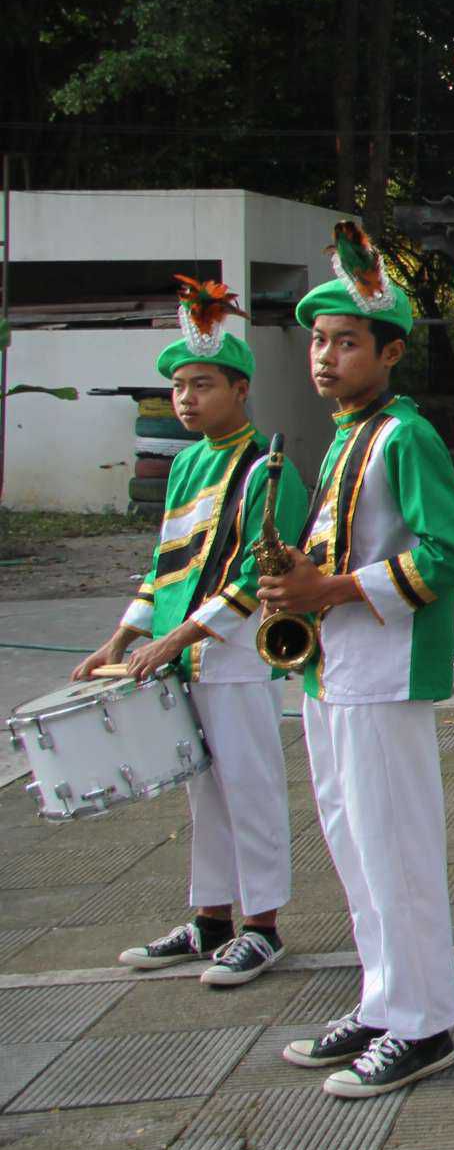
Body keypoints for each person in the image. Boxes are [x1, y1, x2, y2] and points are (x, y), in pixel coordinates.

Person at [260, 225, 454, 1095]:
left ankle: (425, 1024)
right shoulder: (348, 436)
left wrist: (331, 589)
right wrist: (296, 585)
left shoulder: (403, 437)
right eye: (319, 341)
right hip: (334, 670)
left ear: (389, 353)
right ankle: (385, 1001)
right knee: (355, 849)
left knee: (396, 852)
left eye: (346, 342)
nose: (326, 356)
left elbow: (449, 554)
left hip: (384, 673)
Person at [77, 277, 307, 988]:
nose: (185, 398)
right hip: (175, 657)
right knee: (202, 792)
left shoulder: (268, 468)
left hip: (235, 655)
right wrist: (123, 636)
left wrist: (176, 640)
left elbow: (257, 576)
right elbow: (166, 563)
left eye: (202, 385)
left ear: (240, 389)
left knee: (250, 787)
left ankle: (262, 927)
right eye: (178, 387)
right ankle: (210, 920)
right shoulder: (184, 465)